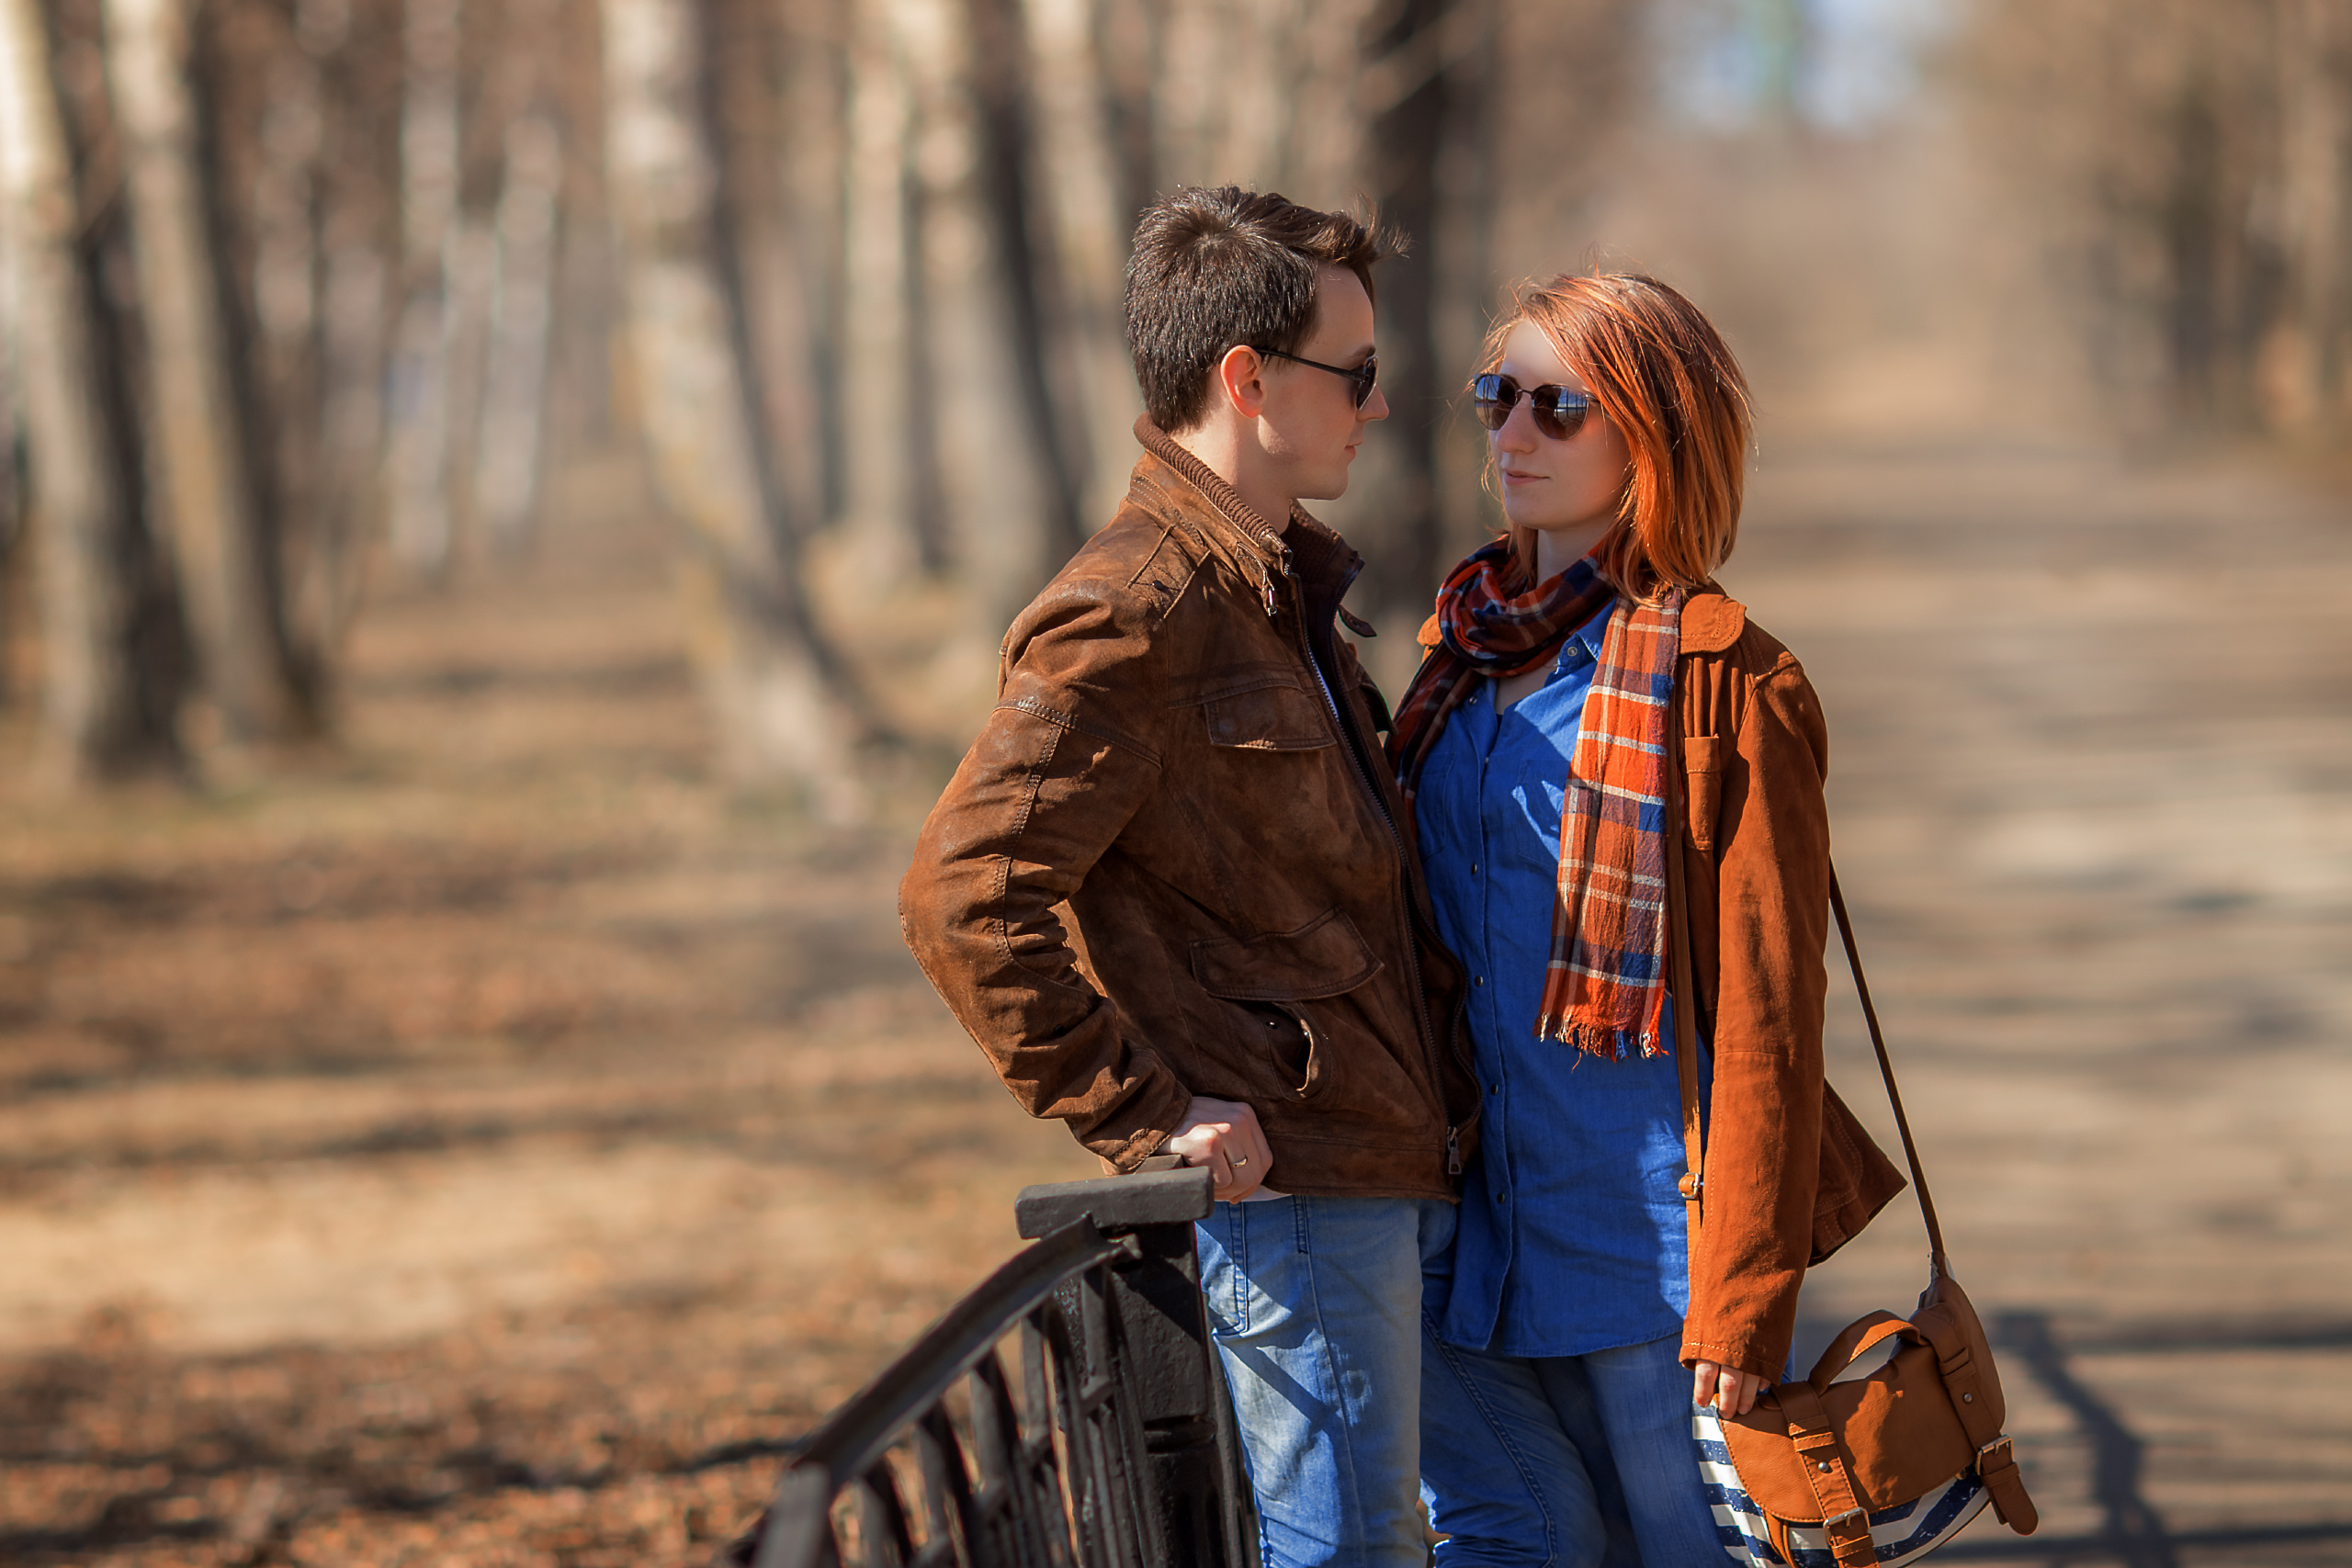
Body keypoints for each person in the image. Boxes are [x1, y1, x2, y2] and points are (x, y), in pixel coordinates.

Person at [899, 186, 1481, 1568]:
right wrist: (1143, 1110)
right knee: (1349, 1555)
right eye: (1358, 374)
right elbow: (963, 891)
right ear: (1248, 379)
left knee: (1515, 1519)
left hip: (1396, 1165)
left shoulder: (1268, 587)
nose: (1378, 407)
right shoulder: (1136, 607)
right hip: (1301, 1194)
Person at [1385, 274, 1905, 1565]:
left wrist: (1742, 1309)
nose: (1512, 433)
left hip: (1658, 1266)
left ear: (1654, 437)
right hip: (1490, 1240)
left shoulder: (1731, 682)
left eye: (1560, 407)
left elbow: (1771, 1023)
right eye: (1496, 395)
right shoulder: (1455, 659)